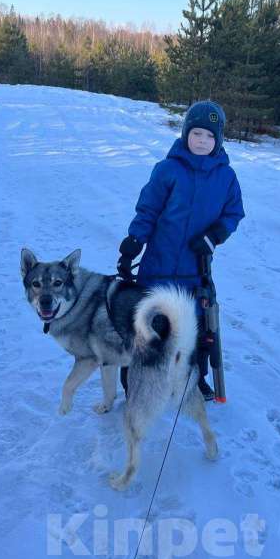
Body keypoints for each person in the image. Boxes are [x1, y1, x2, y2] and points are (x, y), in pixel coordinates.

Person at [117, 99, 245, 400]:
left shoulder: (226, 178)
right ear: (186, 133)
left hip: (194, 272)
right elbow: (148, 210)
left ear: (219, 139)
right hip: (157, 268)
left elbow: (233, 214)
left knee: (195, 332)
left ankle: (193, 379)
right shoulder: (167, 170)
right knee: (148, 328)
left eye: (210, 136)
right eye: (197, 133)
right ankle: (135, 381)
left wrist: (213, 238)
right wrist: (133, 243)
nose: (202, 141)